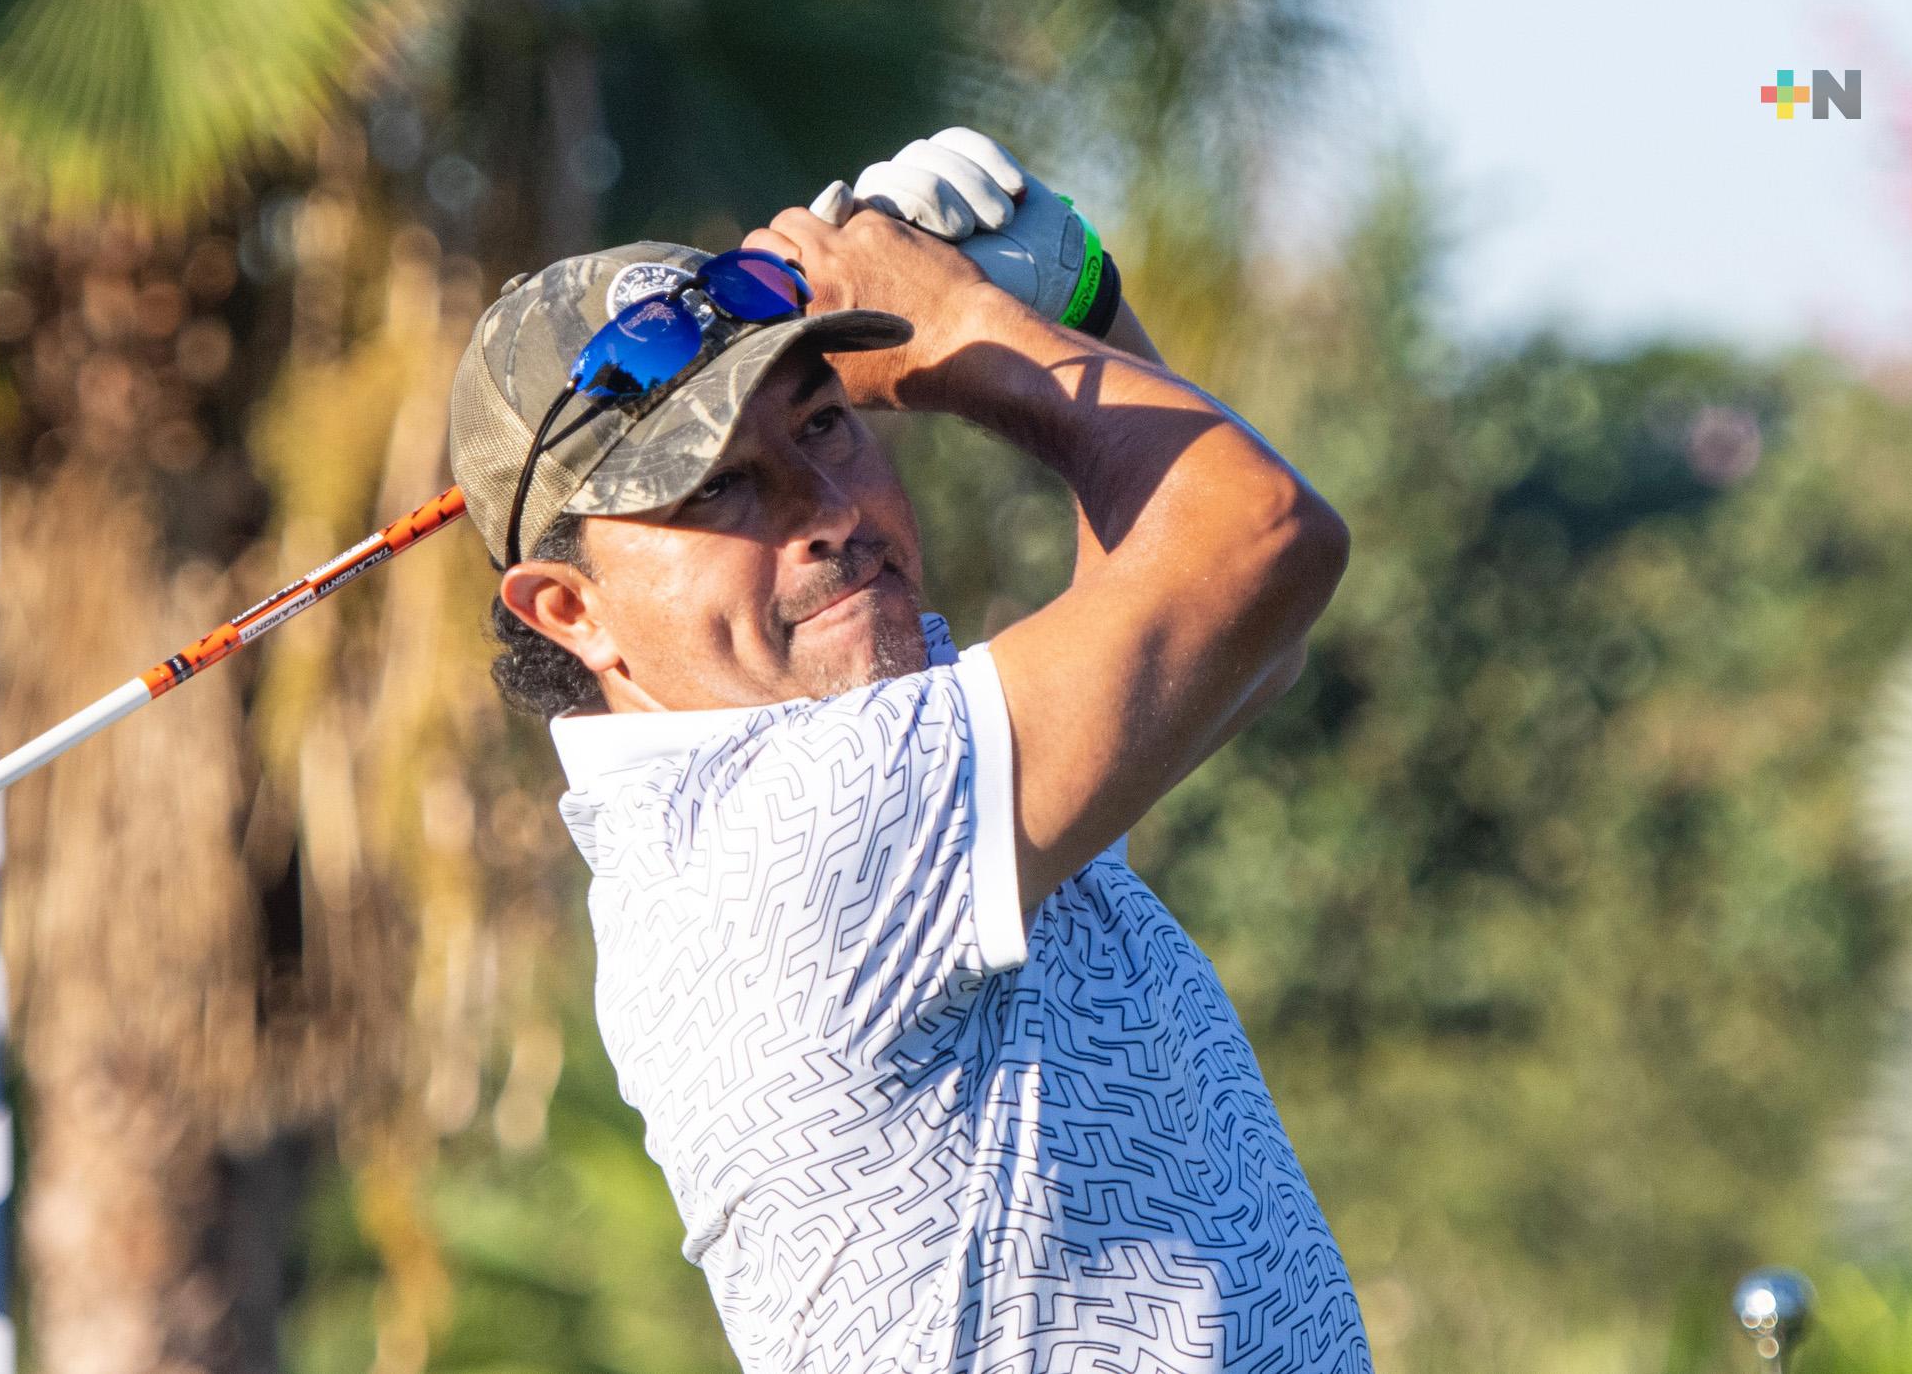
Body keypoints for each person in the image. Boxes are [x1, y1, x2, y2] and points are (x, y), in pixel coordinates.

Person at [447, 129, 1370, 1372]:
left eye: (825, 425)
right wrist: (957, 329)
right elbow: (1256, 540)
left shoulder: (859, 763)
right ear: (571, 611)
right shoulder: (784, 839)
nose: (823, 513)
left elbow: (1241, 640)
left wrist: (1076, 310)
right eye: (714, 490)